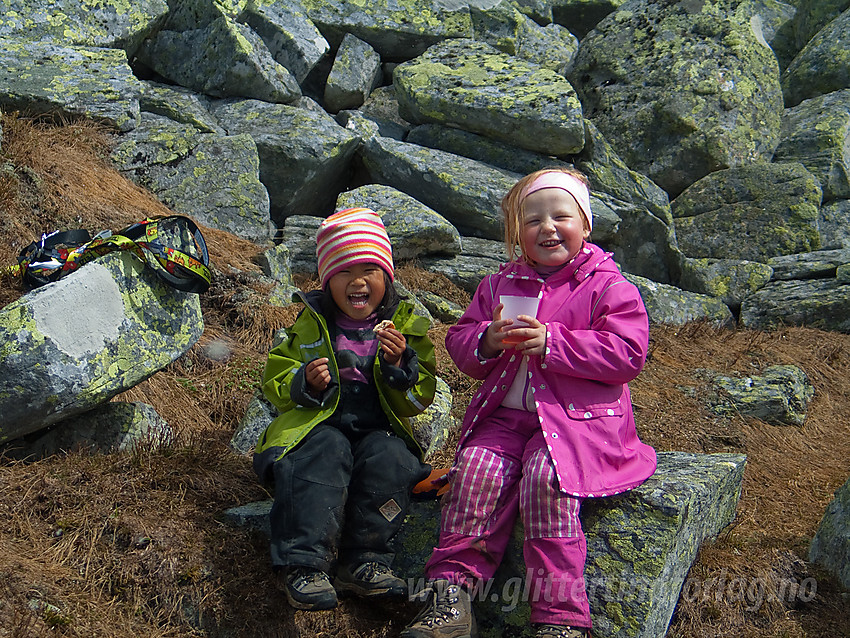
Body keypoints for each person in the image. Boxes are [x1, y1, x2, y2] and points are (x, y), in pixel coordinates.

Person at [401, 168, 657, 638]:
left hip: (576, 423)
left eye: (562, 215)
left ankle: (560, 619)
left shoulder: (608, 286)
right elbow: (460, 341)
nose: (548, 227)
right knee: (475, 469)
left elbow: (628, 354)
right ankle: (450, 601)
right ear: (518, 233)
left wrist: (554, 343)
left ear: (587, 224)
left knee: (546, 479)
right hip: (506, 418)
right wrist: (488, 339)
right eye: (533, 219)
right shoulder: (499, 283)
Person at [253, 207, 436, 611]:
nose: (357, 281)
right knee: (326, 451)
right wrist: (303, 382)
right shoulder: (312, 322)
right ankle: (305, 566)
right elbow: (276, 378)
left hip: (375, 428)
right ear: (326, 281)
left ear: (386, 278)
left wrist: (401, 368)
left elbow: (421, 396)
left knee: (391, 458)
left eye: (369, 269)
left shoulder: (406, 329)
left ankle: (365, 563)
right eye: (342, 272)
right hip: (316, 427)